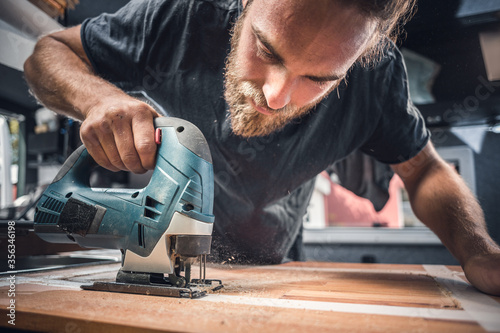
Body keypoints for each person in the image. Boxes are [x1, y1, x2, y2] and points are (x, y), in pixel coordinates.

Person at [24, 0, 500, 295]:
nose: (276, 96)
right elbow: (47, 53)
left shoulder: (377, 78)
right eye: (267, 50)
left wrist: (476, 249)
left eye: (317, 79)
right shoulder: (182, 17)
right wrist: (99, 98)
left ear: (361, 57)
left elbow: (425, 169)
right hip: (157, 258)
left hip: (278, 260)